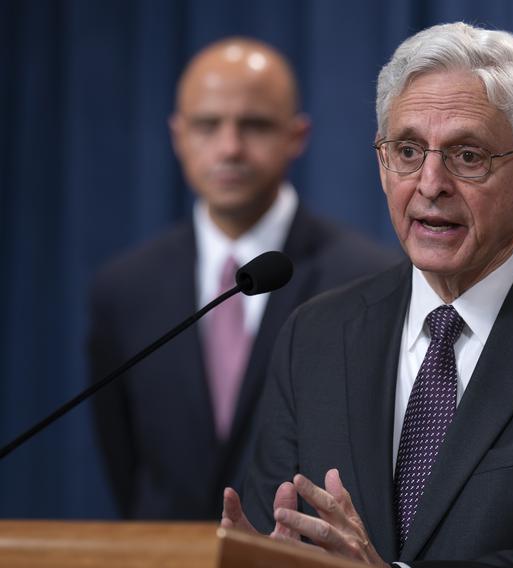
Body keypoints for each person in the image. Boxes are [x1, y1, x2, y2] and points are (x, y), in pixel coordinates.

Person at [220, 22, 513, 567]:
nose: (429, 183)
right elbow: (277, 530)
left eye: (467, 155)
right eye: (407, 150)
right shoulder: (318, 334)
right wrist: (252, 554)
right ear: (381, 162)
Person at [88, 37, 400, 520]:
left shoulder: (370, 277)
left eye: (253, 125)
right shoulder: (124, 288)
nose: (229, 147)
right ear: (178, 135)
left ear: (297, 136)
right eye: (208, 125)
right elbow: (123, 460)